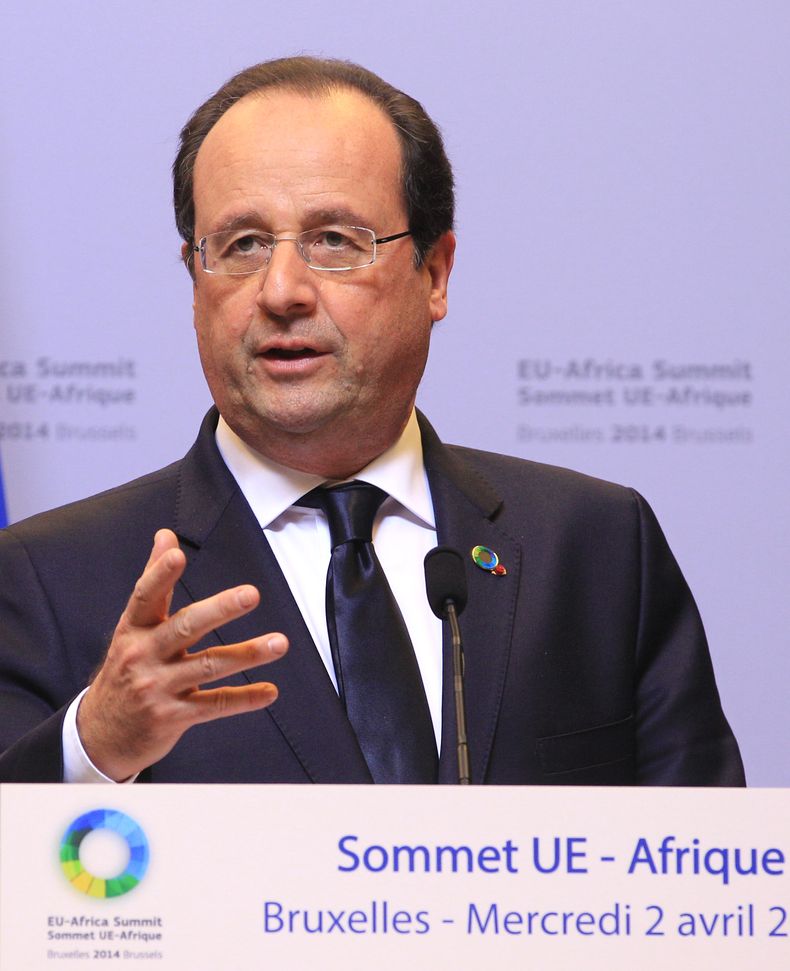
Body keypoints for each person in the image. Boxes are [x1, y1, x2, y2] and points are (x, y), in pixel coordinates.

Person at [0, 56, 744, 786]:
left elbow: (705, 878)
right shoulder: (52, 579)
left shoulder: (597, 548)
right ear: (195, 280)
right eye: (242, 245)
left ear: (435, 274)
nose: (281, 290)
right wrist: (92, 750)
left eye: (335, 240)